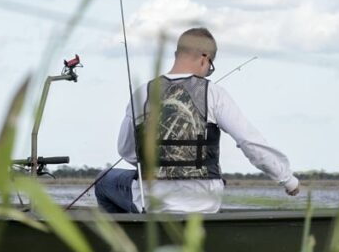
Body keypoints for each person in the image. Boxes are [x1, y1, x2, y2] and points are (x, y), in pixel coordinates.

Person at [95, 27, 300, 213]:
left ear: (177, 54)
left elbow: (125, 151)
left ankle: (129, 243)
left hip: (153, 202)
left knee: (103, 180)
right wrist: (287, 179)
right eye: (210, 66)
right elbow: (249, 141)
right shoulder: (214, 93)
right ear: (205, 59)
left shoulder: (143, 93)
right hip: (205, 203)